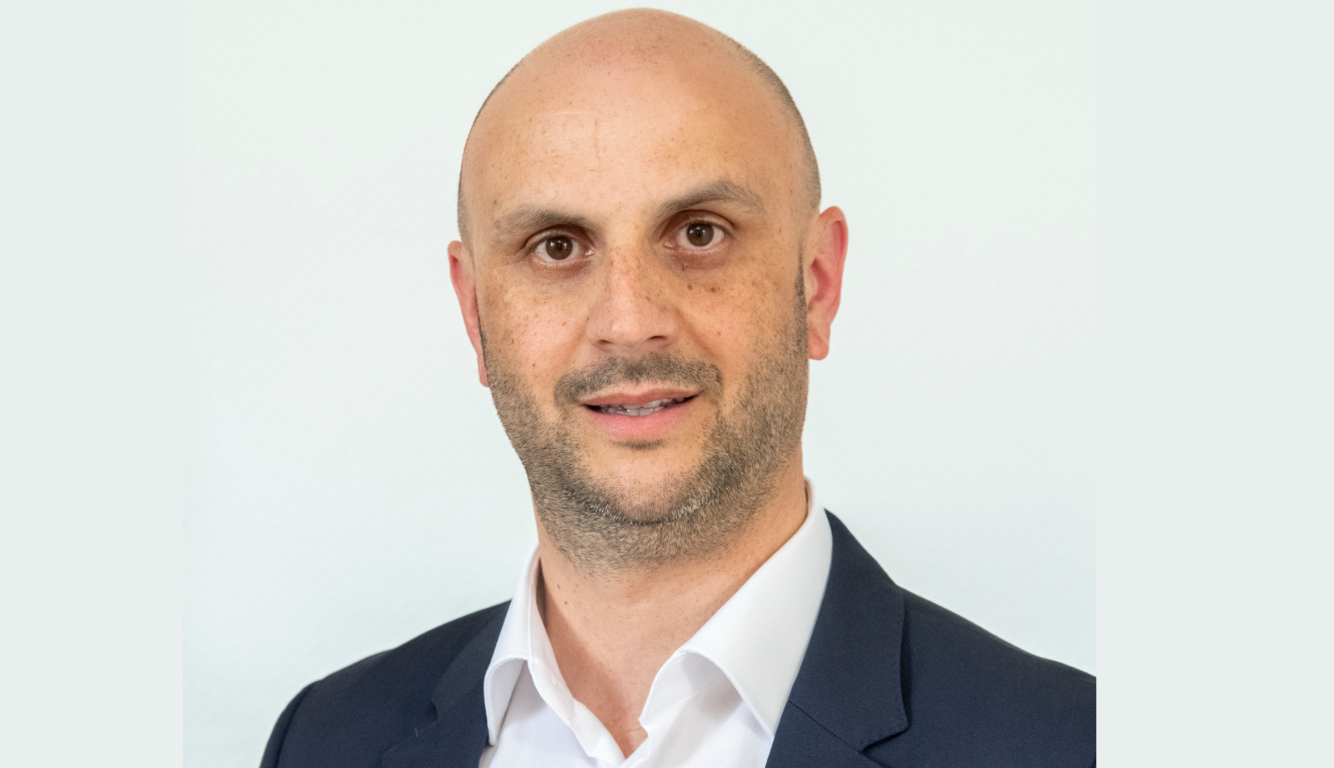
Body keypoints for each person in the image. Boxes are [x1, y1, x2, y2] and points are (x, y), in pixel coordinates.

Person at [260, 9, 1094, 768]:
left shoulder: (1076, 745)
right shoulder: (325, 742)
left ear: (817, 283)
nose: (630, 321)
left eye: (699, 233)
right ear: (476, 314)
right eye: (557, 247)